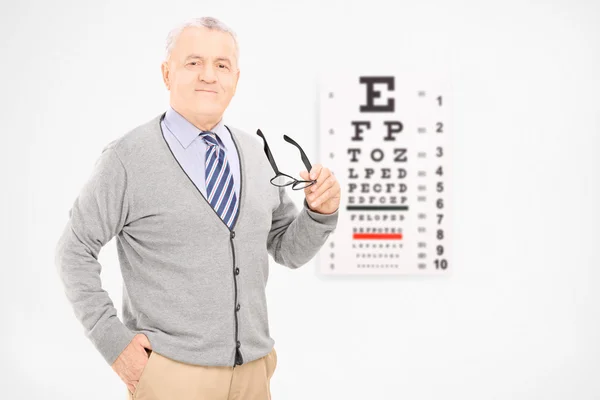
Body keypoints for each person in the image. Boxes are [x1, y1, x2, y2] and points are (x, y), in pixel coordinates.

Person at [54, 16, 340, 400]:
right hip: (170, 375)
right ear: (167, 73)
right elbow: (73, 250)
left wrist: (320, 213)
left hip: (254, 374)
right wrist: (114, 342)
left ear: (236, 79)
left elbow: (287, 249)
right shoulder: (127, 159)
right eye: (193, 62)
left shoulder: (254, 154)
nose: (209, 75)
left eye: (222, 65)